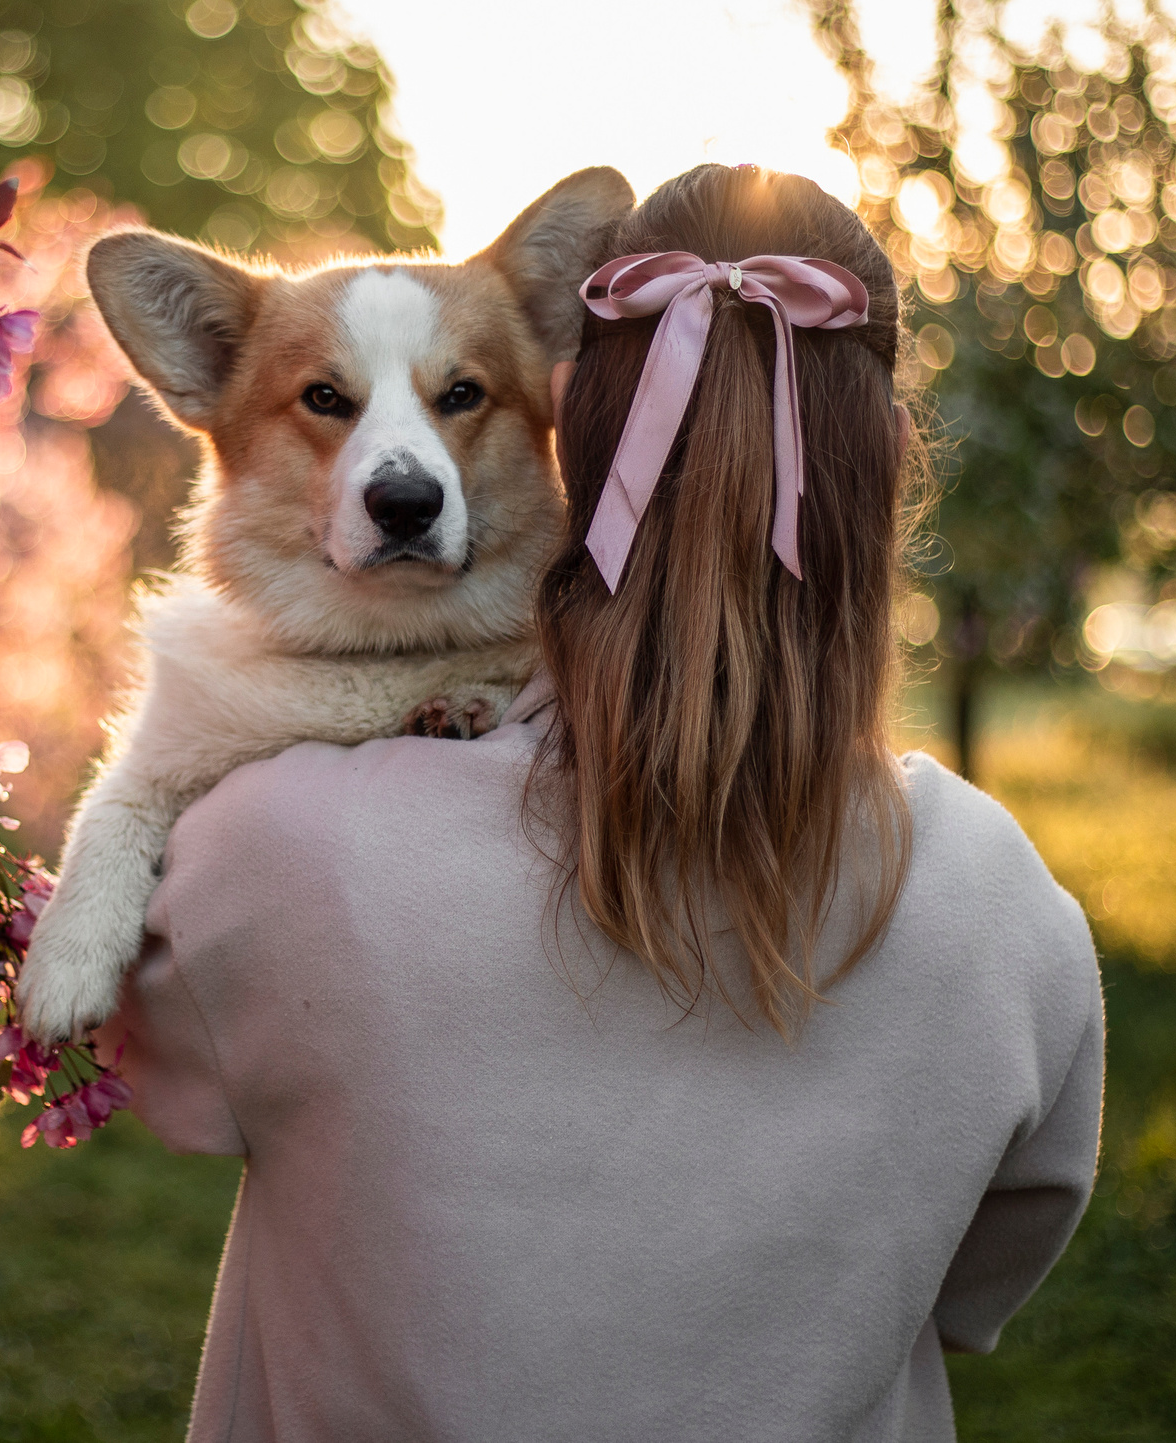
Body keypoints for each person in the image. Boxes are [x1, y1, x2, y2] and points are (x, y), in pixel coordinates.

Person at [110, 164, 1105, 1442]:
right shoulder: (1001, 902)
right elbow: (981, 1276)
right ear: (892, 466)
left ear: (563, 444)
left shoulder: (279, 846)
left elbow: (171, 1092)